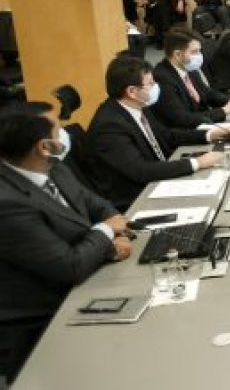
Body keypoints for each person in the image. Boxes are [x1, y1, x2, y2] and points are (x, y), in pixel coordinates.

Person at [0, 102, 132, 382]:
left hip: (87, 278)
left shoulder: (53, 166)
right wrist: (107, 234)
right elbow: (70, 266)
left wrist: (114, 229)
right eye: (59, 129)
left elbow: (97, 205)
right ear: (43, 146)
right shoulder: (7, 203)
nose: (66, 133)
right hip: (44, 318)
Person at [83, 56, 230, 210]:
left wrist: (210, 134)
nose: (156, 87)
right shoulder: (109, 126)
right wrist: (197, 163)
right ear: (132, 91)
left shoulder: (137, 105)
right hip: (138, 199)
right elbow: (141, 170)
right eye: (150, 83)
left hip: (159, 179)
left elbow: (166, 135)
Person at [152, 27, 230, 129]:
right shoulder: (162, 78)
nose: (200, 55)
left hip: (203, 124)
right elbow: (182, 119)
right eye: (194, 52)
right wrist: (225, 110)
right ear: (178, 54)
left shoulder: (189, 69)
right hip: (186, 132)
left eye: (199, 51)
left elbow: (208, 93)